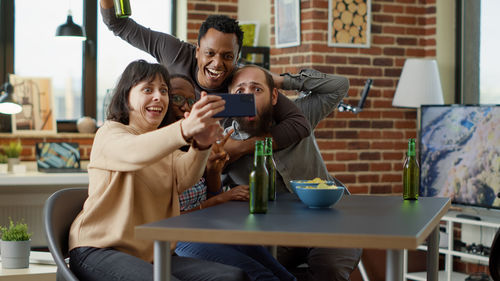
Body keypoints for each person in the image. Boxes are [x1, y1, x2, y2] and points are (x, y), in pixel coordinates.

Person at [68, 60, 250, 281]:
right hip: (99, 249)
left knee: (233, 277)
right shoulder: (110, 133)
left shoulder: (165, 146)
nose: (159, 97)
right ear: (126, 96)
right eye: (148, 89)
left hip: (152, 255)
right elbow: (135, 153)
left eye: (164, 91)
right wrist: (184, 128)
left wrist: (202, 145)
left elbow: (185, 178)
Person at [100, 0, 312, 156]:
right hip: (158, 155)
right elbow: (118, 24)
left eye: (228, 57)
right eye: (209, 53)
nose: (217, 64)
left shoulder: (240, 87)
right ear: (197, 50)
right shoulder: (175, 52)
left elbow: (299, 124)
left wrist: (242, 148)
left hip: (200, 170)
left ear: (237, 59)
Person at [221, 65, 363, 281]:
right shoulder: (223, 142)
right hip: (271, 232)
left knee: (330, 268)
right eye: (240, 92)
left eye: (257, 90)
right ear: (230, 99)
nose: (248, 98)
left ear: (274, 96)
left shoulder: (300, 115)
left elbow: (339, 85)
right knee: (254, 272)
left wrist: (280, 80)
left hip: (328, 222)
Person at [168, 74, 296, 281]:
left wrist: (213, 170)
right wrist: (219, 200)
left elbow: (211, 193)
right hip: (179, 238)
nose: (185, 107)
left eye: (191, 101)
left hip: (209, 227)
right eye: (176, 98)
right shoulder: (159, 146)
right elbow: (165, 220)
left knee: (284, 276)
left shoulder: (197, 140)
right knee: (262, 276)